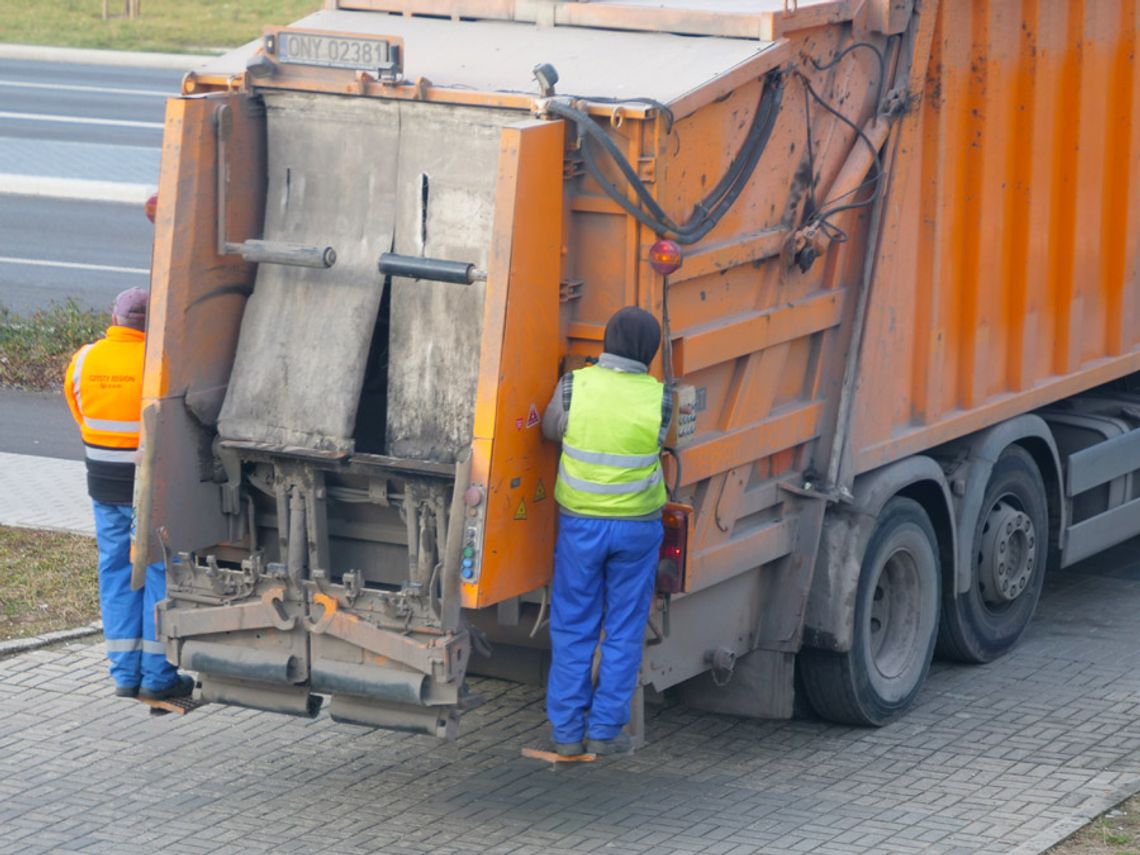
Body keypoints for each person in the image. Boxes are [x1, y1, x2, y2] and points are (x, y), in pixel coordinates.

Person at [541, 306, 672, 756]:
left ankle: (566, 735)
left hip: (581, 527)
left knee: (573, 625)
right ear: (650, 351)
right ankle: (605, 731)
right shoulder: (661, 398)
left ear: (606, 341)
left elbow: (549, 429)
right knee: (623, 628)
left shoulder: (576, 384)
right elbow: (663, 443)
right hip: (638, 530)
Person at [64, 288, 193, 701]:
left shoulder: (84, 360)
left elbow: (79, 412)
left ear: (114, 319)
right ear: (150, 323)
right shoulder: (160, 364)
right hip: (149, 488)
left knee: (116, 571)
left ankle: (124, 673)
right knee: (157, 571)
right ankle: (157, 678)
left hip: (103, 485)